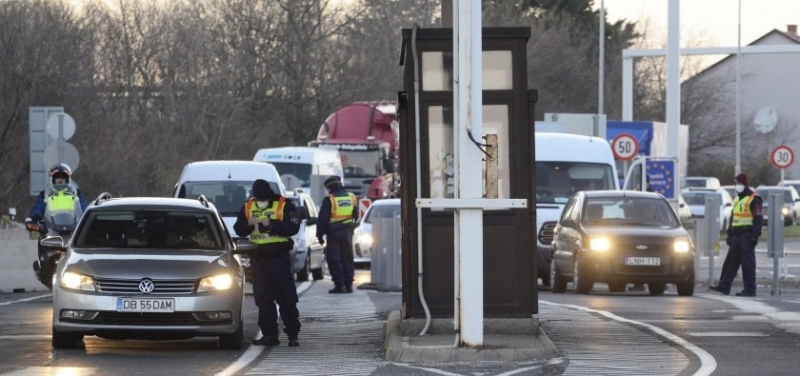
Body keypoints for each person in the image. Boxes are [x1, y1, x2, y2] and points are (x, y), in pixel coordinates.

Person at [233, 179, 301, 346]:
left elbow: (293, 227)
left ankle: (293, 335)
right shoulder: (248, 206)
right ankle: (269, 335)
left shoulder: (284, 204)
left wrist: (272, 223)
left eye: (263, 198)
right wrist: (248, 224)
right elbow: (238, 229)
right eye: (258, 198)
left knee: (286, 297)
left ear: (270, 195)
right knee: (263, 299)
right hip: (259, 259)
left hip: (279, 258)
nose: (260, 201)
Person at [710, 173, 763, 297]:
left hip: (747, 235)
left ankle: (750, 290)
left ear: (744, 184)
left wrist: (755, 235)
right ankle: (724, 286)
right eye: (736, 183)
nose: (736, 186)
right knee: (730, 263)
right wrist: (730, 234)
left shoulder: (754, 198)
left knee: (747, 264)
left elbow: (758, 219)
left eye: (738, 183)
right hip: (736, 235)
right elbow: (734, 218)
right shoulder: (738, 199)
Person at [317, 176, 359, 294]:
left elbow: (322, 219)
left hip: (334, 233)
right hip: (347, 232)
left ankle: (340, 285)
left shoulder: (330, 199)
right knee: (347, 258)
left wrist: (319, 235)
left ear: (329, 187)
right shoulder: (351, 197)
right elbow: (355, 215)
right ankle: (349, 285)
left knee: (334, 259)